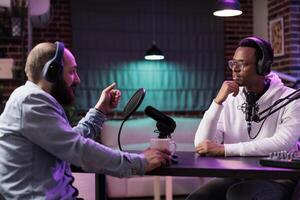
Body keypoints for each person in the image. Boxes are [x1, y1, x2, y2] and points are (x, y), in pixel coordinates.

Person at [0, 42, 171, 199]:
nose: (78, 79)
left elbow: (69, 141)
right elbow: (79, 150)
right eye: (72, 71)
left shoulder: (32, 100)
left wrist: (100, 110)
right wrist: (141, 163)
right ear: (52, 72)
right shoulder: (30, 101)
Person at [187, 36, 300, 200]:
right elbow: (201, 144)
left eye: (242, 64)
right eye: (233, 63)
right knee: (198, 198)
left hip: (277, 177)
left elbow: (283, 143)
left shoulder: (291, 99)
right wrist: (217, 103)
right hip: (237, 174)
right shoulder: (230, 98)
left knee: (238, 195)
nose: (235, 69)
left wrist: (225, 149)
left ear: (263, 67)